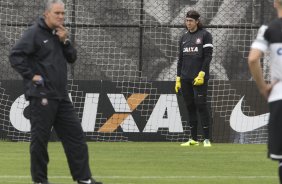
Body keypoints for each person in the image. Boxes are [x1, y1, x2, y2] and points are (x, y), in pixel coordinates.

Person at [9, 0, 102, 184]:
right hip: (42, 96)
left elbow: (72, 58)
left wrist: (65, 41)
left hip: (61, 96)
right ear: (47, 14)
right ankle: (40, 181)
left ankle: (84, 179)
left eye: (63, 13)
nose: (61, 17)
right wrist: (31, 76)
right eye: (57, 13)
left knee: (76, 137)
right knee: (40, 142)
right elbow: (15, 55)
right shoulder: (34, 33)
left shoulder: (59, 34)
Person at [248, 0, 282, 183]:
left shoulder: (268, 29)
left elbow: (253, 59)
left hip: (279, 96)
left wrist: (263, 88)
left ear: (275, 3)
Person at [175, 10, 213, 147]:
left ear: (197, 21)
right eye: (186, 21)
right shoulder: (183, 38)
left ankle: (207, 139)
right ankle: (193, 139)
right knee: (190, 106)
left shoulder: (205, 35)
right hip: (185, 78)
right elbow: (180, 59)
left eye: (190, 21)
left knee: (201, 105)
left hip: (199, 78)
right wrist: (178, 78)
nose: (188, 23)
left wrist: (202, 73)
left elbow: (208, 56)